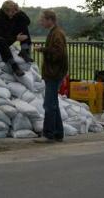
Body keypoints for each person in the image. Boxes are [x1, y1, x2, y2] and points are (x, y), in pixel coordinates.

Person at [34, 10, 68, 143]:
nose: (41, 22)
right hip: (55, 72)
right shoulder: (55, 32)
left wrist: (42, 50)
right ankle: (58, 133)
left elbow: (58, 53)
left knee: (48, 105)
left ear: (50, 20)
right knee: (53, 104)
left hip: (54, 73)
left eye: (42, 20)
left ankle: (48, 134)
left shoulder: (57, 34)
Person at [0, 0, 32, 77]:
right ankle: (14, 67)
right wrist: (16, 38)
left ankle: (24, 51)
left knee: (23, 25)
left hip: (8, 35)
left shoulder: (12, 14)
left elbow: (27, 22)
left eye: (14, 11)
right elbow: (0, 35)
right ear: (6, 11)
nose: (13, 14)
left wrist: (19, 11)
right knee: (1, 40)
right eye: (12, 12)